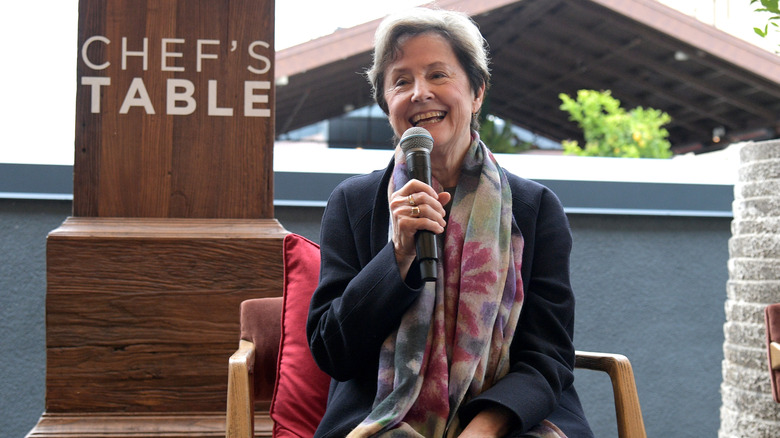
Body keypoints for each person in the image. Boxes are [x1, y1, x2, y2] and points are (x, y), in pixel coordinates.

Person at [306, 7, 593, 438]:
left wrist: (485, 428)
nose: (420, 93)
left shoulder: (535, 209)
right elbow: (333, 353)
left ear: (476, 93)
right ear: (387, 105)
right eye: (401, 81)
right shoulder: (353, 203)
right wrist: (397, 255)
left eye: (438, 74)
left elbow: (548, 356)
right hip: (382, 416)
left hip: (509, 419)